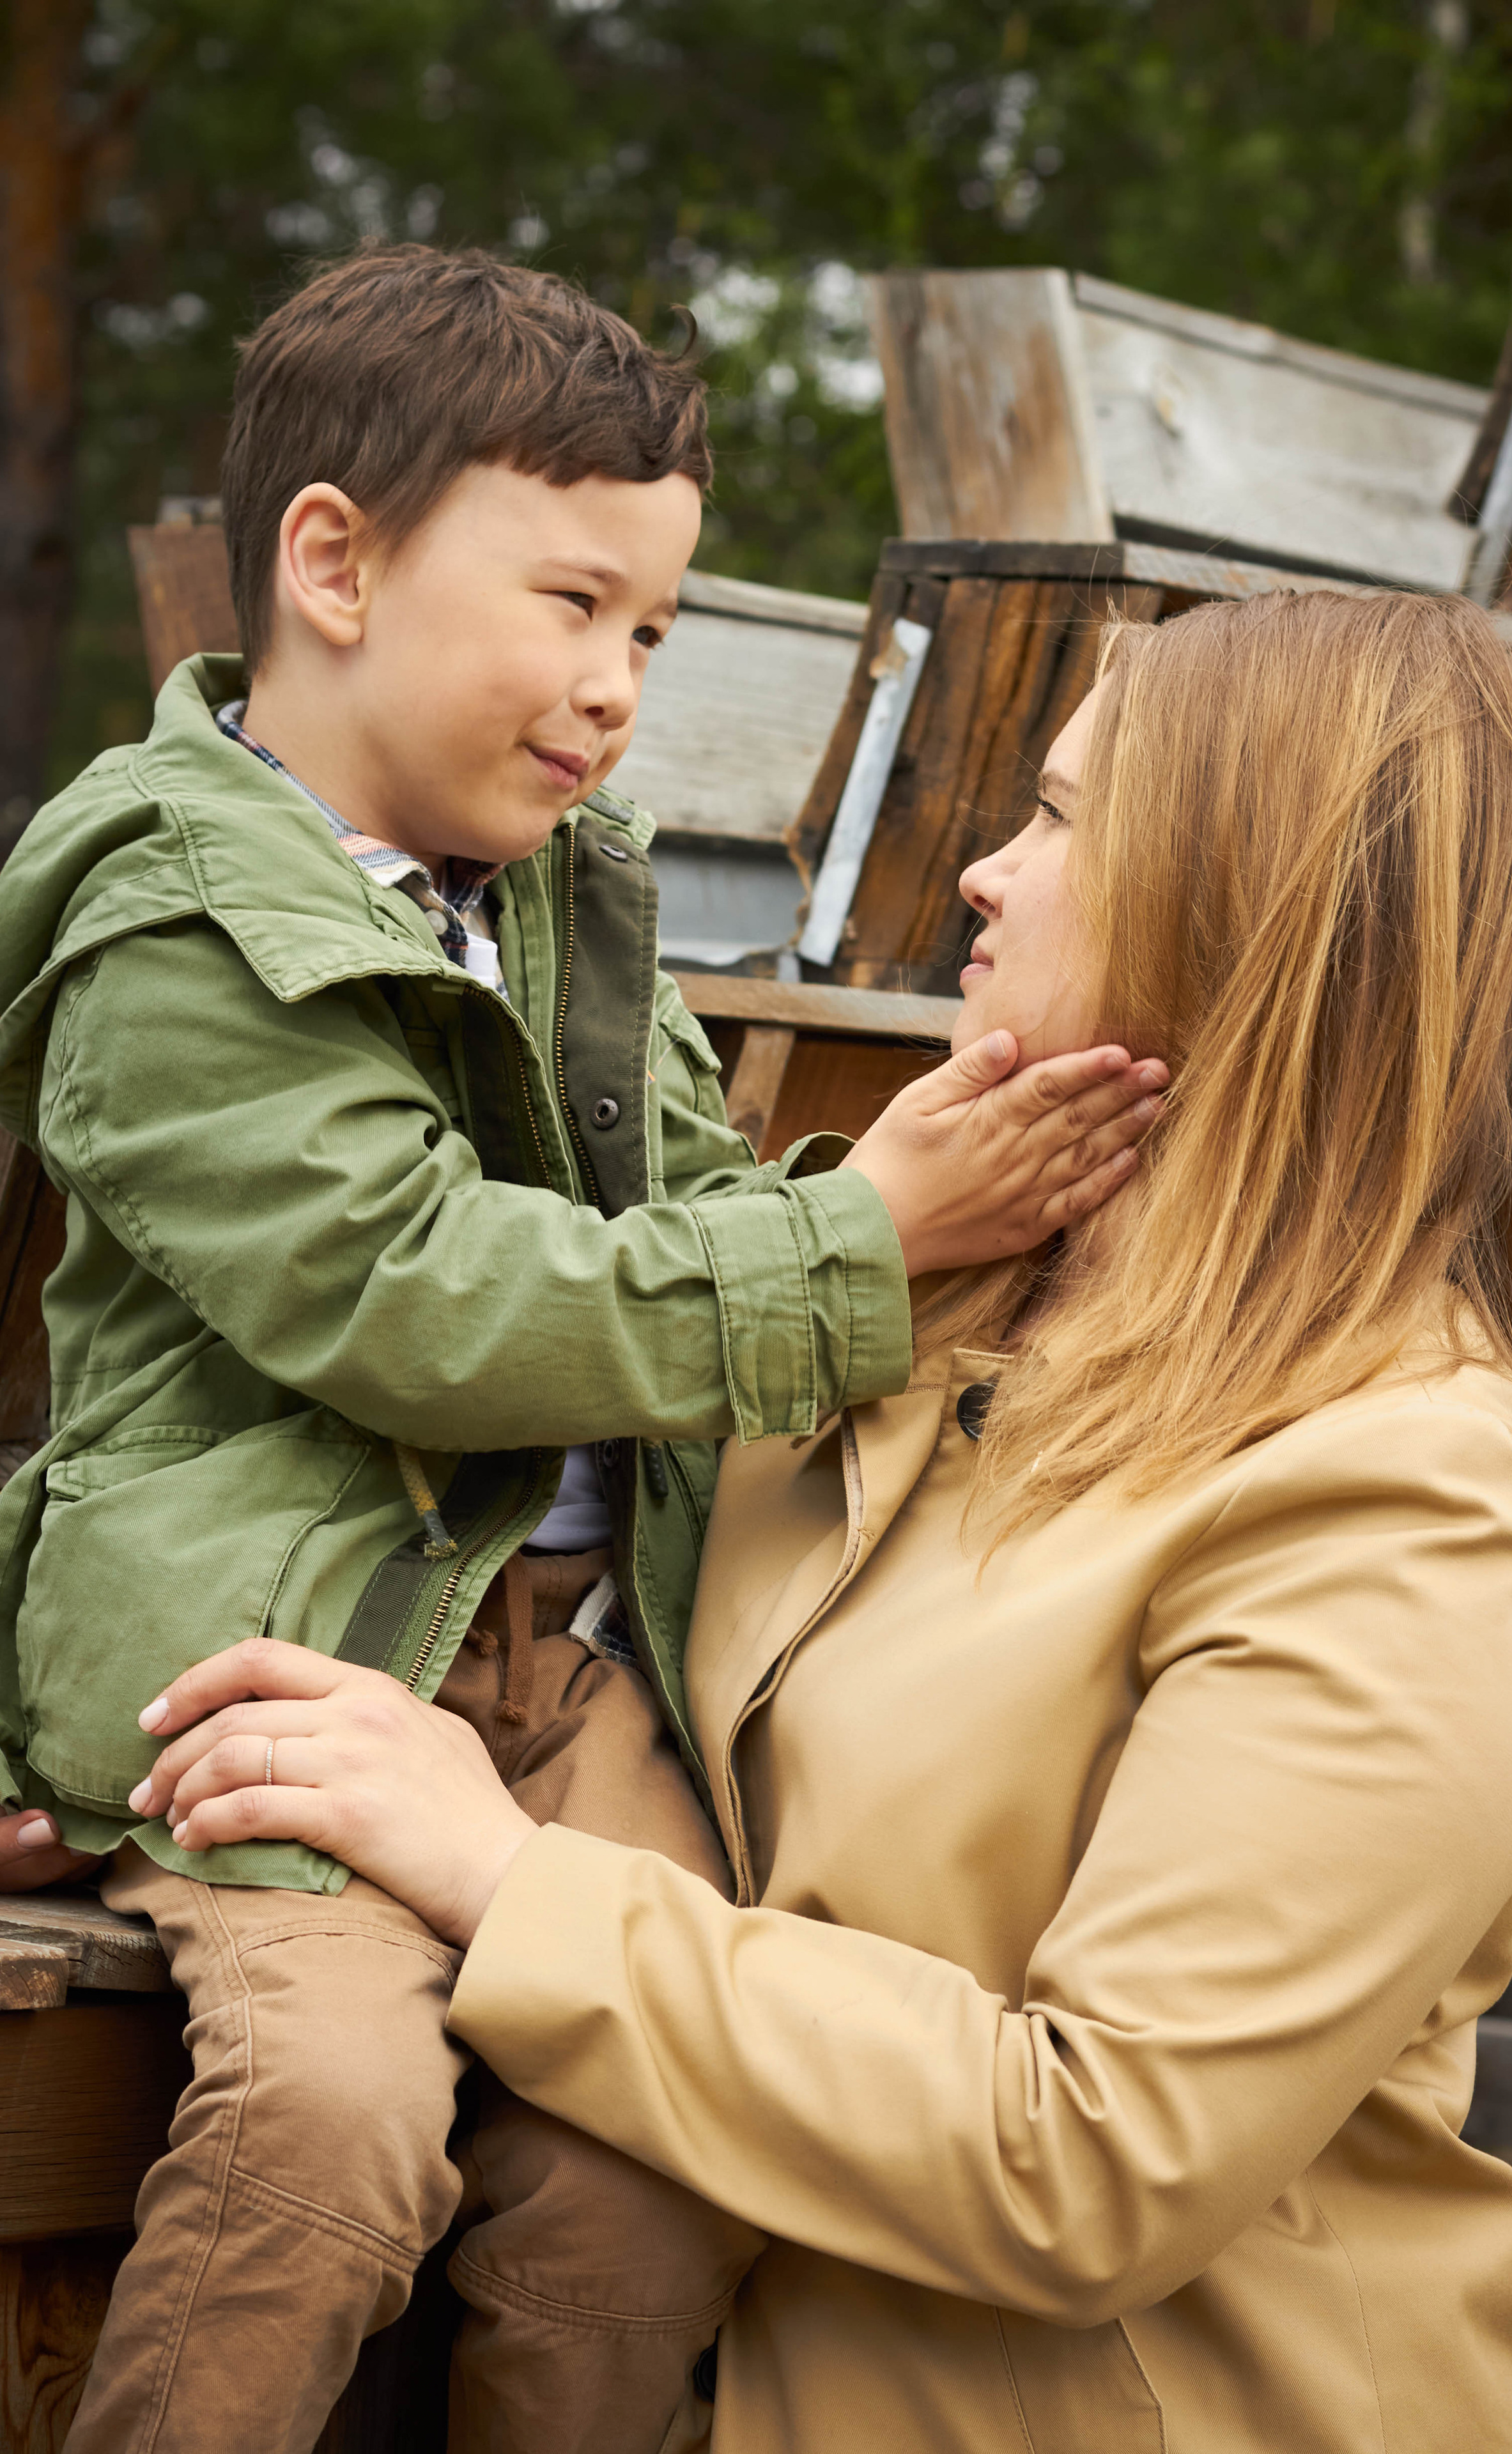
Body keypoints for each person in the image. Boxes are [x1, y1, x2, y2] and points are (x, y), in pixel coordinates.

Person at [134, 585, 1512, 2454]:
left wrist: (510, 1883)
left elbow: (1094, 2158)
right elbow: (475, 1497)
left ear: (1251, 911)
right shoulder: (913, 1306)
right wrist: (140, 1755)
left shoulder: (1408, 1502)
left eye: (1067, 819)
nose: (987, 875)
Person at [0, 243, 1159, 2454]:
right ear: (332, 564)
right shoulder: (172, 927)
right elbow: (425, 1303)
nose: (618, 682)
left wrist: (874, 1213)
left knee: (649, 2183)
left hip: (582, 1660)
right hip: (295, 1667)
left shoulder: (563, 893)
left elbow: (692, 1202)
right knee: (327, 2129)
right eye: (571, 606)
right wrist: (857, 1241)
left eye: (652, 628)